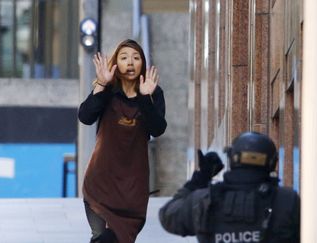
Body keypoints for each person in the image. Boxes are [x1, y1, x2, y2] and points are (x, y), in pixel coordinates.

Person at [78, 39, 167, 243]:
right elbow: (85, 117)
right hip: (100, 181)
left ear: (142, 64)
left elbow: (158, 129)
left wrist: (145, 98)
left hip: (133, 187)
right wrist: (101, 84)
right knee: (101, 237)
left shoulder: (153, 92)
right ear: (116, 63)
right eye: (124, 57)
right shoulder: (107, 91)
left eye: (136, 58)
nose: (130, 62)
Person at [159, 131, 300, 243]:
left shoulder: (204, 200)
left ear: (231, 159)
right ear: (272, 163)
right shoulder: (287, 200)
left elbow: (168, 216)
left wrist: (201, 177)